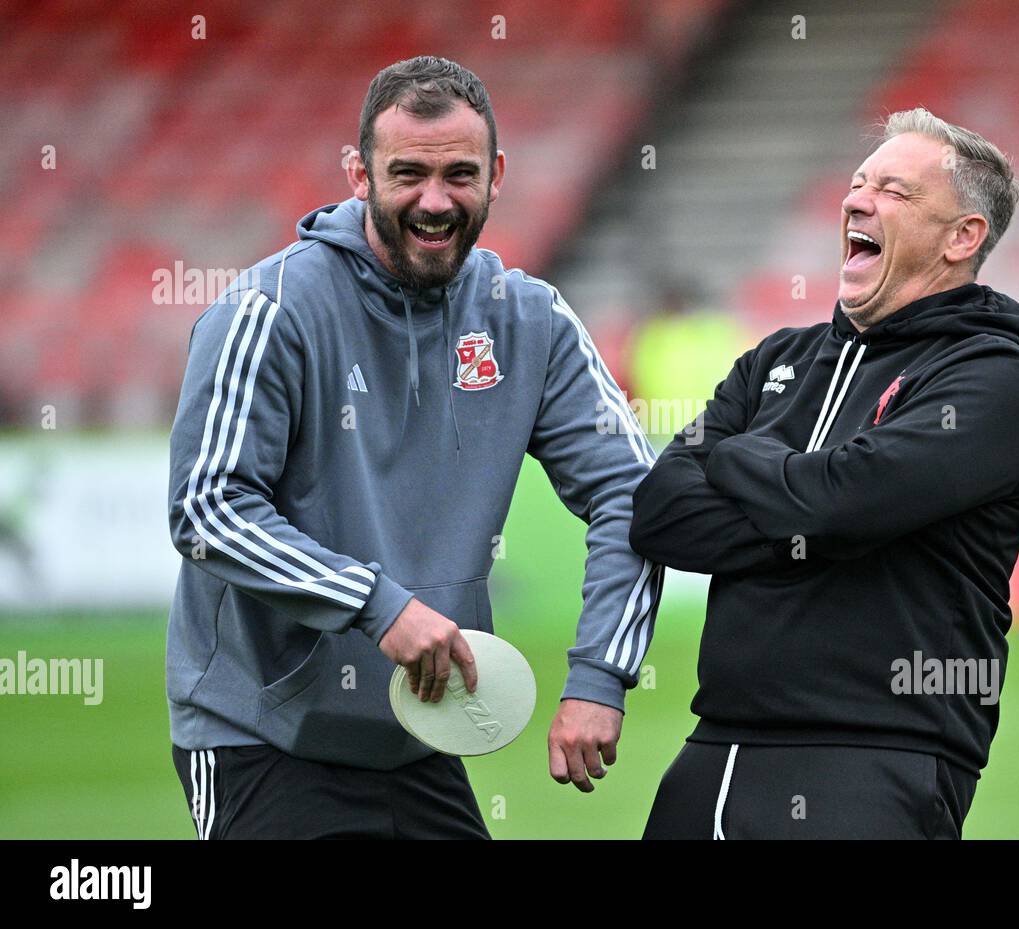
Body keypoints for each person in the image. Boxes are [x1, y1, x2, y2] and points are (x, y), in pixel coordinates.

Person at [165, 56, 661, 839]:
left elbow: (632, 491)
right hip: (262, 737)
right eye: (408, 174)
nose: (436, 201)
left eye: (460, 174)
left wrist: (601, 674)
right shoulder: (270, 310)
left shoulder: (528, 320)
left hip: (420, 735)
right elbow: (207, 509)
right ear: (359, 174)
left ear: (496, 174)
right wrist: (376, 604)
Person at [630, 108, 1019, 839]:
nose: (857, 201)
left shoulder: (991, 379)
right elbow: (661, 512)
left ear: (962, 237)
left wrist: (734, 455)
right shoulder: (777, 357)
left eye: (894, 191)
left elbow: (835, 505)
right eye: (858, 184)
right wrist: (818, 517)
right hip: (712, 750)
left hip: (876, 757)